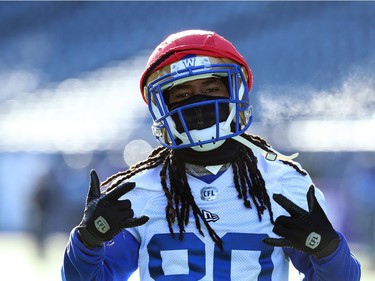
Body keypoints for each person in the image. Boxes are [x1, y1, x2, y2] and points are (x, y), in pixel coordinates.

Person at [61, 29, 361, 280]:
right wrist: (88, 241)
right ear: (162, 107)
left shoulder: (283, 182)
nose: (198, 102)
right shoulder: (139, 190)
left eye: (211, 88)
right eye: (183, 94)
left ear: (235, 92)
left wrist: (327, 251)